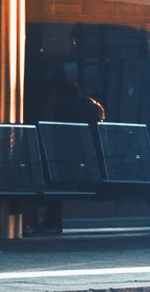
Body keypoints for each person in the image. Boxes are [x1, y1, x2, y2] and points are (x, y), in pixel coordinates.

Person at [32, 77, 104, 235]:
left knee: (40, 173)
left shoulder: (70, 112)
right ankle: (47, 220)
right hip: (88, 164)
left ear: (65, 96)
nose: (51, 101)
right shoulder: (89, 108)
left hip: (77, 166)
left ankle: (39, 220)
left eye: (54, 96)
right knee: (49, 172)